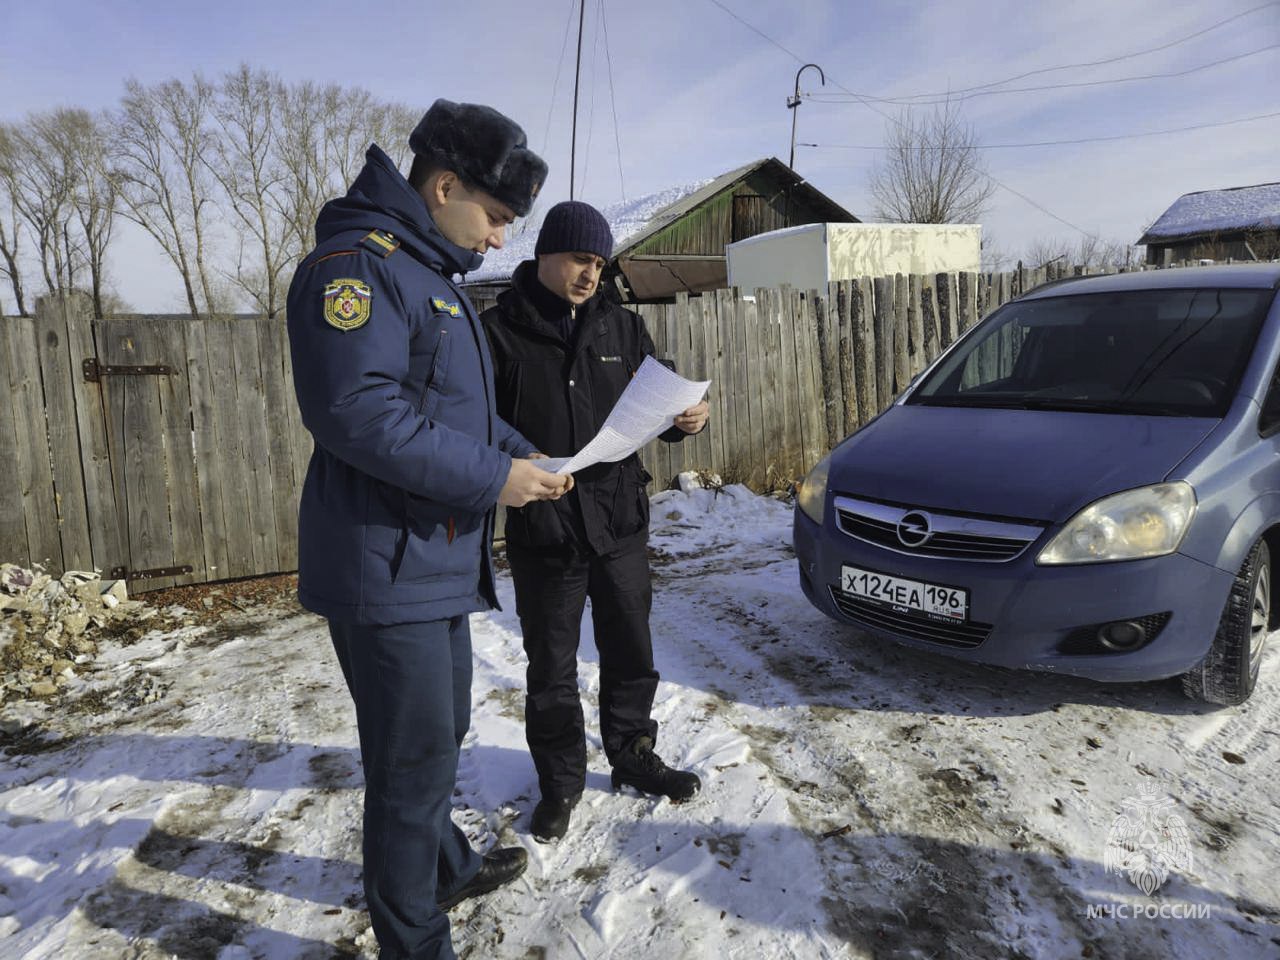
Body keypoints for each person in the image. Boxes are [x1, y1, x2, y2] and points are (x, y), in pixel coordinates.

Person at [286, 99, 570, 960]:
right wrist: (497, 479)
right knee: (409, 774)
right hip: (386, 568)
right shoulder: (356, 268)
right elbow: (357, 414)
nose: (498, 240)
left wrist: (532, 455)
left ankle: (441, 867)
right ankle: (417, 941)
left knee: (436, 741)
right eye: (493, 217)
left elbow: (456, 414)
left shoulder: (424, 276)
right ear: (442, 186)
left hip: (431, 562)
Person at [480, 200, 711, 843]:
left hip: (619, 520)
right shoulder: (496, 331)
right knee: (550, 666)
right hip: (545, 526)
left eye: (600, 263)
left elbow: (656, 402)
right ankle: (560, 784)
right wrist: (513, 458)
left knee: (631, 649)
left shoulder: (623, 328)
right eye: (581, 259)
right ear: (547, 254)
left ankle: (633, 754)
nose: (591, 274)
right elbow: (474, 422)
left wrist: (684, 420)